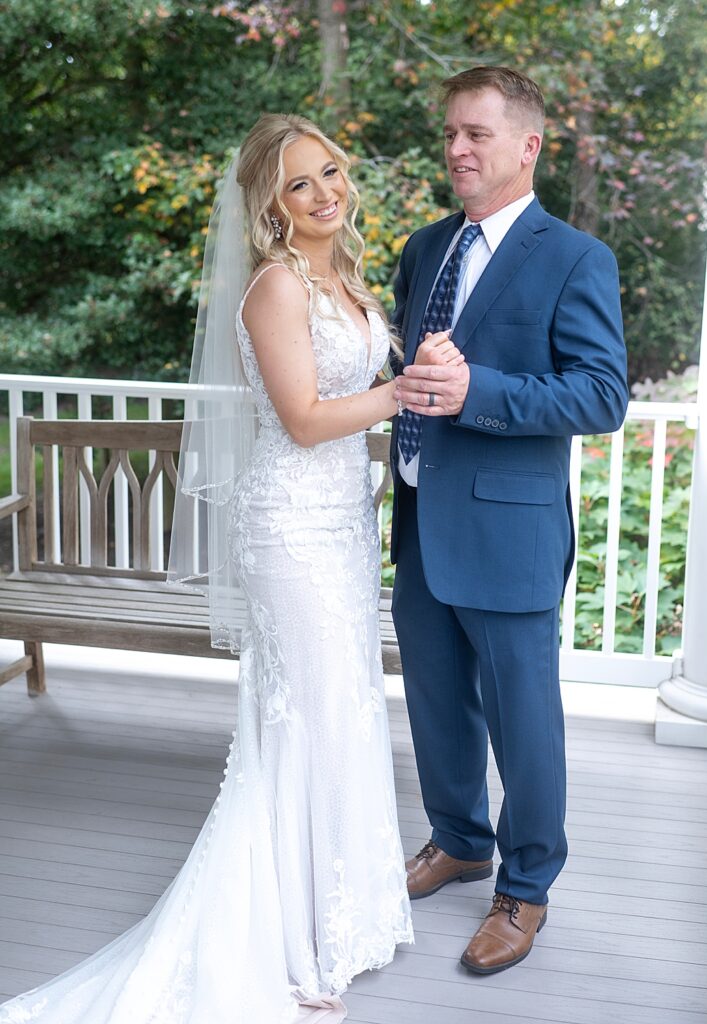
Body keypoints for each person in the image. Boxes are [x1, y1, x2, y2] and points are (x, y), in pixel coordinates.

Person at [0, 112, 463, 1023]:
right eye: (300, 183)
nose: (325, 192)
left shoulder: (347, 279)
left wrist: (424, 360)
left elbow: (365, 379)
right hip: (290, 528)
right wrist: (401, 391)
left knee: (342, 712)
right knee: (304, 721)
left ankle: (340, 918)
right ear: (271, 206)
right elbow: (303, 419)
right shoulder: (274, 289)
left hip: (342, 525)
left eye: (330, 171)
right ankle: (286, 942)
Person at [391, 66, 629, 975]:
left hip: (511, 530)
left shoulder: (574, 257)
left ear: (527, 145)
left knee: (523, 721)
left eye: (476, 134)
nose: (456, 148)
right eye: (450, 132)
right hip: (419, 519)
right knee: (433, 702)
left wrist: (475, 391)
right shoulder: (424, 248)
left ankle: (524, 889)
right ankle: (459, 839)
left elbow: (601, 394)